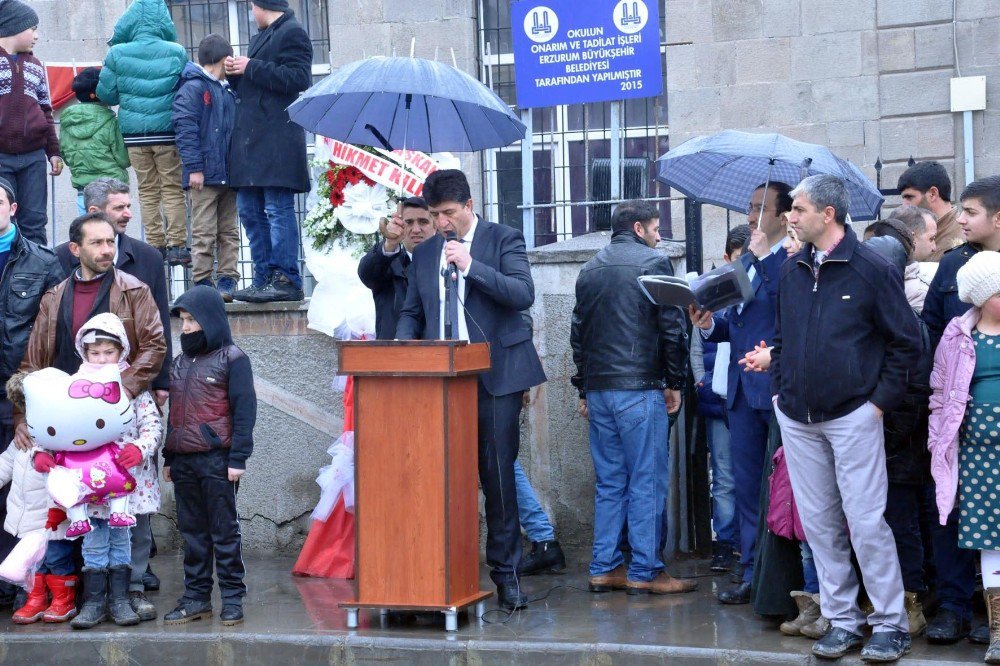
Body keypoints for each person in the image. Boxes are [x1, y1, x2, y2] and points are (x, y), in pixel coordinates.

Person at [771, 174, 922, 662]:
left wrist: (877, 404)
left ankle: (889, 622)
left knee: (865, 521)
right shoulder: (792, 270)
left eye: (798, 208)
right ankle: (841, 620)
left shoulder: (872, 269)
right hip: (797, 416)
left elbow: (907, 342)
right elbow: (784, 339)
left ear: (828, 214)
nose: (789, 216)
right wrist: (779, 384)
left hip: (854, 415)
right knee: (819, 525)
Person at [395, 169, 546, 610]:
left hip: (495, 379)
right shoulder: (424, 256)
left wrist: (471, 265)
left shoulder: (503, 239)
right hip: (440, 382)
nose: (441, 224)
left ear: (468, 206)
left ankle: (507, 576)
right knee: (439, 478)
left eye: (447, 214)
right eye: (434, 215)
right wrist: (404, 349)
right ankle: (444, 573)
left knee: (498, 477)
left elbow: (521, 294)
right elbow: (410, 311)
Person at [571, 200, 694, 597]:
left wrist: (584, 388)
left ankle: (603, 567)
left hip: (601, 389)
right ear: (639, 228)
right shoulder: (655, 263)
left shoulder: (589, 271)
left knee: (610, 481)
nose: (660, 237)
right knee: (647, 479)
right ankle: (645, 569)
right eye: (657, 229)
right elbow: (673, 328)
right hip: (640, 388)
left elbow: (578, 335)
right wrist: (674, 382)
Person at [688, 181, 793, 604]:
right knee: (746, 486)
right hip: (739, 392)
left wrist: (766, 256)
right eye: (749, 207)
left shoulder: (790, 258)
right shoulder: (747, 261)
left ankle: (788, 580)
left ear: (783, 216)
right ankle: (751, 572)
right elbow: (739, 324)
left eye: (758, 208)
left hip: (777, 389)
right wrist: (709, 323)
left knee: (785, 488)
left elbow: (785, 306)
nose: (750, 216)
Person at [33, 314, 161, 629]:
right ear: (84, 352)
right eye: (95, 352)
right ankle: (94, 601)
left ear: (121, 351)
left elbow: (152, 426)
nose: (102, 358)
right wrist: (44, 453)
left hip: (128, 479)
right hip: (87, 482)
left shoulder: (133, 385)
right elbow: (55, 426)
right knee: (93, 540)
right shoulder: (71, 387)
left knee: (128, 538)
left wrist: (140, 449)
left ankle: (124, 595)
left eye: (109, 352)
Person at [921, 175, 1000, 645]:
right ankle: (955, 605)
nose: (959, 219)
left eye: (969, 212)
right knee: (952, 512)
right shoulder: (952, 265)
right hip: (962, 424)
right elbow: (930, 333)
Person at [13, 213, 166, 449]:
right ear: (75, 248)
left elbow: (154, 345)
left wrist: (123, 389)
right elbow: (33, 360)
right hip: (65, 417)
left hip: (118, 418)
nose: (107, 250)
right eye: (97, 243)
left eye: (110, 241)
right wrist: (22, 416)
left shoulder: (135, 290)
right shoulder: (54, 297)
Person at [162, 285, 256, 626]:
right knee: (192, 534)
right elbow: (176, 413)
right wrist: (169, 457)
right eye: (183, 320)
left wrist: (238, 459)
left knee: (224, 532)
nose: (185, 327)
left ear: (211, 320)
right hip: (184, 460)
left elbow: (244, 411)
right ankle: (196, 598)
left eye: (192, 320)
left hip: (217, 460)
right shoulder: (180, 362)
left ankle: (232, 599)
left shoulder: (233, 358)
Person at [862, 234, 933, 637]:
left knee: (899, 525)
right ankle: (877, 600)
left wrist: (884, 436)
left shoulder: (908, 324)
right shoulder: (874, 320)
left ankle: (910, 601)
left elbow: (914, 392)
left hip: (899, 449)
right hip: (877, 444)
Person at [0, 177, 63, 612]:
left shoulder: (42, 263)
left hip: (17, 397)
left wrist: (29, 408)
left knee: (19, 493)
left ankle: (14, 581)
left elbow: (55, 342)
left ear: (13, 208)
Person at [226, 0, 313, 303]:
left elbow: (299, 79)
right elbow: (255, 86)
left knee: (277, 210)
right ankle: (263, 278)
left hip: (277, 140)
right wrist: (236, 75)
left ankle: (286, 277)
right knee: (249, 211)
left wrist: (250, 66)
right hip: (251, 142)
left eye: (251, 7)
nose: (251, 14)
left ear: (262, 6)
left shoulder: (292, 32)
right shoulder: (260, 37)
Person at [97, 0, 189, 264]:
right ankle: (178, 246)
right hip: (167, 132)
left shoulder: (118, 54)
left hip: (135, 135)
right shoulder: (176, 51)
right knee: (172, 188)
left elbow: (107, 93)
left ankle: (156, 245)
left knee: (147, 190)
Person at [690, 224, 749, 574]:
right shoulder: (713, 295)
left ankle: (749, 542)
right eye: (737, 260)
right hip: (717, 397)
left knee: (751, 474)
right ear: (727, 259)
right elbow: (698, 343)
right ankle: (724, 542)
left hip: (748, 397)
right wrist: (701, 382)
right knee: (724, 476)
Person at [172, 34, 240, 302]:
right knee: (203, 231)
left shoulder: (225, 89)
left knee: (229, 231)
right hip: (204, 175)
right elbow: (185, 130)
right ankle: (202, 281)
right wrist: (194, 168)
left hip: (227, 174)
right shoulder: (192, 88)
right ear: (223, 59)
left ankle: (227, 280)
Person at [0, 0, 63, 245]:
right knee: (4, 220)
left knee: (35, 220)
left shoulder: (36, 66)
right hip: (1, 157)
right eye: (33, 29)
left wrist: (53, 152)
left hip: (33, 157)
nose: (36, 36)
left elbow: (46, 110)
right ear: (14, 27)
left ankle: (37, 275)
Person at [357, 197, 435, 340]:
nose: (416, 229)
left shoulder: (447, 261)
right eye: (409, 222)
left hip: (436, 351)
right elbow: (367, 275)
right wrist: (389, 244)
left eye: (423, 222)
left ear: (435, 225)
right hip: (393, 352)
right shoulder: (388, 261)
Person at [58, 67, 131, 216]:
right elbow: (124, 160)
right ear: (98, 93)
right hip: (112, 191)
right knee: (111, 236)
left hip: (83, 191)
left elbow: (65, 155)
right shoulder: (110, 121)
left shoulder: (66, 122)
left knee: (89, 235)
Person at [897, 161, 962, 262]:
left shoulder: (964, 235)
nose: (904, 205)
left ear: (933, 194)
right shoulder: (913, 231)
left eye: (909, 197)